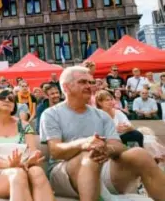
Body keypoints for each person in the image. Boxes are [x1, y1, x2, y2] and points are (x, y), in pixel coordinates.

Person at [40, 65, 165, 201]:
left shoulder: (102, 115)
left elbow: (118, 146)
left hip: (103, 167)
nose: (89, 86)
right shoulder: (51, 114)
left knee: (139, 154)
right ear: (66, 87)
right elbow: (55, 151)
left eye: (91, 82)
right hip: (64, 172)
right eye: (83, 82)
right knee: (89, 155)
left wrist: (106, 149)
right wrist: (83, 144)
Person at [0, 89, 54, 200]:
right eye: (2, 97)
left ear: (14, 106)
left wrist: (33, 157)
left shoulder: (24, 125)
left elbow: (32, 150)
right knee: (17, 173)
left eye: (11, 99)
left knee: (37, 171)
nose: (7, 100)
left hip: (24, 166)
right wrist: (10, 165)